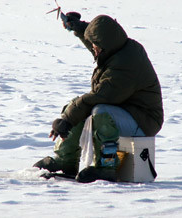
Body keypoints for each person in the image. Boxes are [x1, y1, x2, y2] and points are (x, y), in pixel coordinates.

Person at [33, 12, 164, 183]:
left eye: (95, 45)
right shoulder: (119, 48)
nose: (92, 47)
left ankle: (106, 167)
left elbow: (101, 96)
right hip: (127, 110)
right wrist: (80, 28)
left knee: (99, 111)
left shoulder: (125, 66)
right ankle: (65, 161)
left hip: (144, 121)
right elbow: (101, 43)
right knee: (78, 106)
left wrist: (66, 119)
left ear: (104, 46)